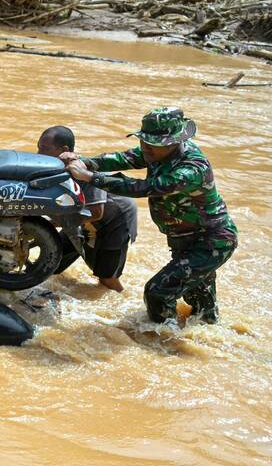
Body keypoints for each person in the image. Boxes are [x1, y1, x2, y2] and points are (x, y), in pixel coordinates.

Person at [61, 108, 238, 323]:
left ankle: (163, 339)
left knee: (157, 292)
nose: (145, 147)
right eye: (143, 140)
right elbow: (122, 159)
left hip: (211, 242)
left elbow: (146, 187)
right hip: (185, 240)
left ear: (174, 142)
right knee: (200, 306)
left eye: (153, 143)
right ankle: (198, 339)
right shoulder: (156, 152)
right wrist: (84, 161)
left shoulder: (192, 168)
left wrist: (90, 177)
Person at [39, 126, 138, 293]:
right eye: (38, 147)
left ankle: (125, 300)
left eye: (44, 149)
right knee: (51, 260)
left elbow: (97, 212)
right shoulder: (53, 169)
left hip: (116, 219)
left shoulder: (83, 169)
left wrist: (52, 222)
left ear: (64, 150)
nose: (39, 154)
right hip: (82, 217)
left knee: (107, 278)